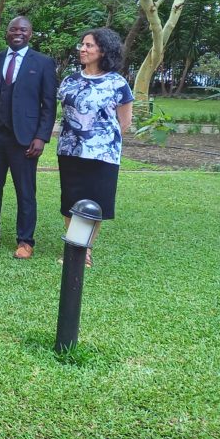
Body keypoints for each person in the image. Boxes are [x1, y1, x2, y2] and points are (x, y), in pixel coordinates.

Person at [0, 16, 57, 259]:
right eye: (13, 29)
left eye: (23, 30)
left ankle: (25, 241)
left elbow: (49, 104)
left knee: (25, 190)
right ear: (6, 33)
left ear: (30, 34)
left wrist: (41, 137)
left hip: (25, 138)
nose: (18, 33)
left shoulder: (43, 63)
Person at [57, 27, 134, 268]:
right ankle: (74, 247)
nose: (83, 49)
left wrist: (100, 142)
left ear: (103, 51)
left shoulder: (117, 83)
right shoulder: (70, 80)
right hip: (70, 151)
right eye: (82, 44)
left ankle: (84, 252)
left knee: (95, 204)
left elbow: (125, 122)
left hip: (102, 154)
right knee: (70, 202)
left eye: (89, 45)